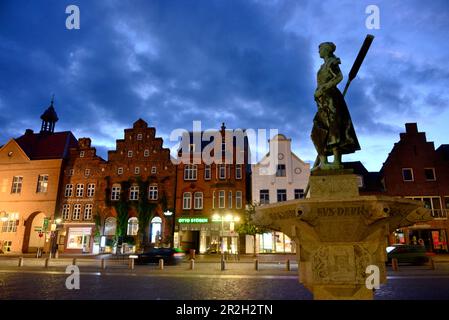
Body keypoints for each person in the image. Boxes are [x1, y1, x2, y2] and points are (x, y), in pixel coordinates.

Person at [311, 42, 360, 170]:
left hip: (331, 99)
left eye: (320, 49)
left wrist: (323, 88)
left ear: (327, 50)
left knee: (334, 128)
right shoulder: (323, 66)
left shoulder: (332, 62)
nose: (318, 52)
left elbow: (339, 77)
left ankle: (336, 161)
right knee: (317, 130)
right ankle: (324, 162)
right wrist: (318, 93)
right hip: (322, 102)